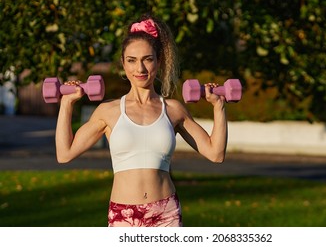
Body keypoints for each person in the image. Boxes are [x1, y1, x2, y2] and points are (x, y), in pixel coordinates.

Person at [55, 14, 228, 227]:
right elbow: (65, 153)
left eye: (147, 59)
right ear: (123, 63)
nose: (140, 69)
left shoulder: (173, 110)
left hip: (166, 213)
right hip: (123, 214)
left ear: (159, 60)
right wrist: (66, 104)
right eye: (132, 60)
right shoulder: (108, 111)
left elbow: (216, 153)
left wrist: (218, 107)